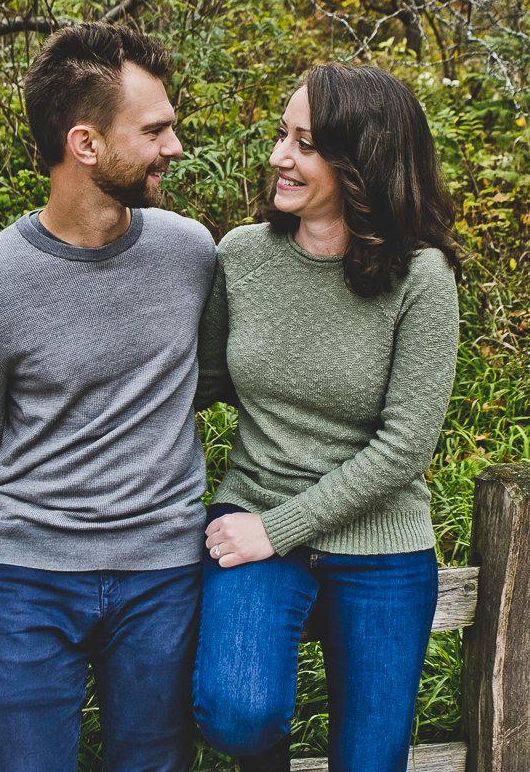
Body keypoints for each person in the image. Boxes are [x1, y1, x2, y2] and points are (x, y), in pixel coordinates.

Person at [0, 22, 215, 772]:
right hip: (26, 583)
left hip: (161, 575)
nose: (174, 147)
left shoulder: (190, 254)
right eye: (155, 131)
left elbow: (223, 377)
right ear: (85, 145)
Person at [192, 63, 460, 772]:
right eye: (283, 135)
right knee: (235, 715)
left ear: (360, 160)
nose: (279, 156)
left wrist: (275, 530)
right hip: (252, 509)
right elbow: (201, 383)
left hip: (380, 545)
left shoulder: (422, 279)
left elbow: (405, 446)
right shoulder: (241, 256)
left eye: (305, 143)